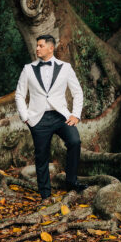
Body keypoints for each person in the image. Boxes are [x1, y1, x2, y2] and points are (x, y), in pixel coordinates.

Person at [15, 35, 87, 204]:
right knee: (41, 157)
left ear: (50, 48)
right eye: (37, 46)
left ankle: (71, 181)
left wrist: (75, 114)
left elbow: (77, 92)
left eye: (40, 46)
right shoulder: (28, 69)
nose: (37, 49)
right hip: (38, 119)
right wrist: (25, 117)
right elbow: (19, 94)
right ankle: (46, 195)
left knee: (75, 141)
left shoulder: (65, 68)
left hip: (60, 116)